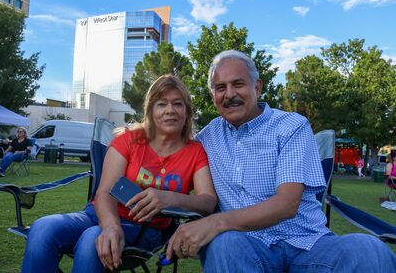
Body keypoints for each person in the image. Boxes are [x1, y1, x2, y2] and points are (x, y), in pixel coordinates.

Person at [165, 50, 396, 272]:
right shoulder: (206, 138)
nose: (229, 94)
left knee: (370, 250)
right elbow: (163, 163)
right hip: (246, 249)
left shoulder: (291, 126)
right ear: (212, 95)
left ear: (257, 87)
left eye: (238, 84)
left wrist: (216, 223)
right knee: (224, 245)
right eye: (220, 87)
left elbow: (287, 203)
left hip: (308, 246)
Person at [21, 75, 217, 273]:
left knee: (92, 239)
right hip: (100, 215)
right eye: (161, 104)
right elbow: (104, 192)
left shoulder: (195, 151)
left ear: (187, 112)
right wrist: (112, 227)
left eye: (178, 104)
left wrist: (169, 198)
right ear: (150, 110)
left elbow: (208, 201)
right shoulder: (130, 140)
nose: (170, 110)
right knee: (42, 229)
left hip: (145, 229)